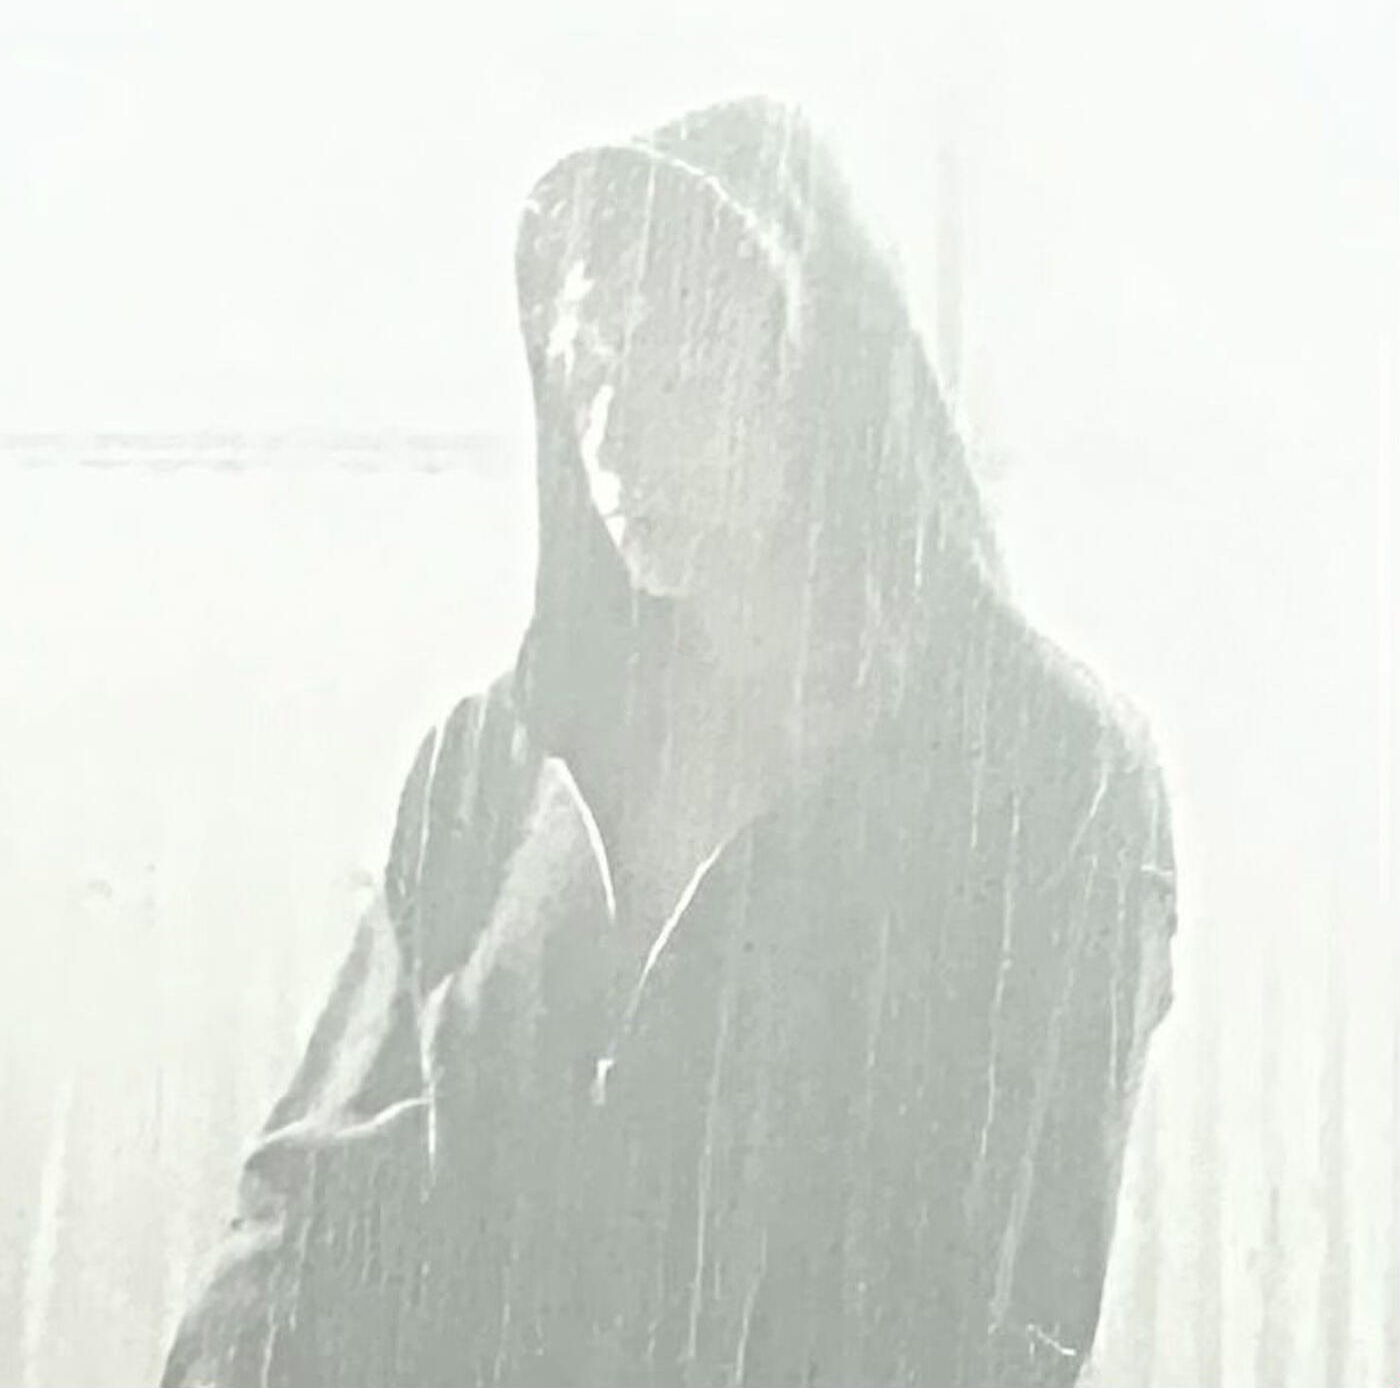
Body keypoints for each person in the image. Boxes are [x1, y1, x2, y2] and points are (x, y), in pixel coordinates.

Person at [159, 96, 1177, 1388]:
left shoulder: (1052, 780)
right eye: (587, 363)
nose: (613, 431)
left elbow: (984, 1314)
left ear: (820, 378)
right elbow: (307, 1220)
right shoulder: (490, 767)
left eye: (678, 362)